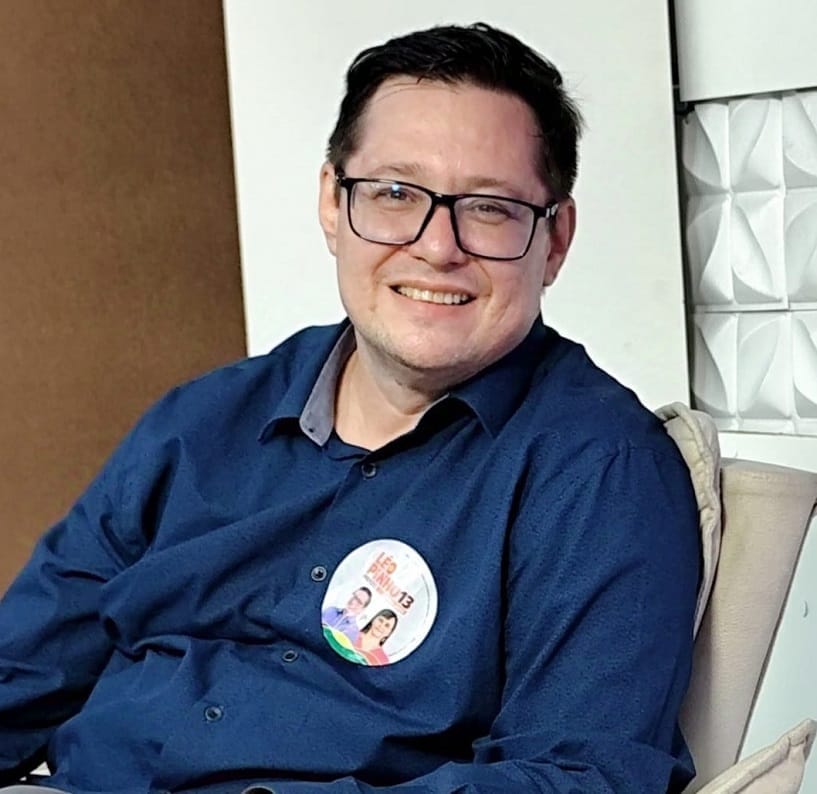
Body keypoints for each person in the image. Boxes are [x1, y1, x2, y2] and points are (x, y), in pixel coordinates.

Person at [0, 21, 700, 794]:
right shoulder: (202, 422)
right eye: (395, 194)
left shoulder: (601, 475)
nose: (438, 247)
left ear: (555, 239)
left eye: (489, 208)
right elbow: (19, 674)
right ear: (333, 203)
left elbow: (581, 779)